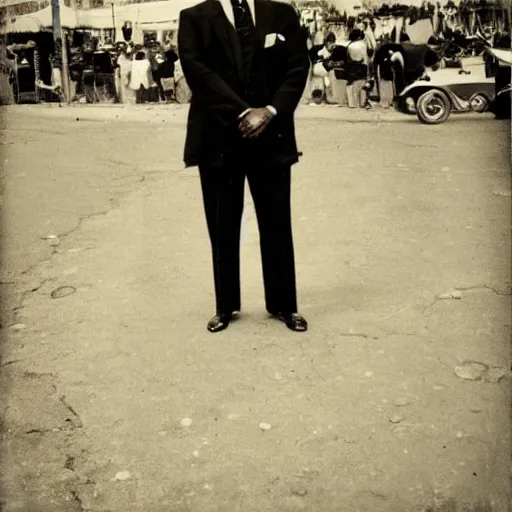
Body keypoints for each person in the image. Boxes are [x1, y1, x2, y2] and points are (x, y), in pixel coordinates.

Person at [178, 0, 310, 333]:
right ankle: (225, 307)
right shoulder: (194, 17)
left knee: (277, 222)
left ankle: (284, 305)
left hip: (272, 133)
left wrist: (270, 111)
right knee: (222, 225)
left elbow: (297, 66)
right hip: (219, 138)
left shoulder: (282, 13)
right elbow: (198, 72)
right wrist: (243, 112)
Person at [346, 28, 369, 108]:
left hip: (353, 67)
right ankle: (362, 102)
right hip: (363, 66)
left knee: (353, 87)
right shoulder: (363, 44)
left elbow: (349, 58)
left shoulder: (350, 46)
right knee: (362, 86)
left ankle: (352, 104)